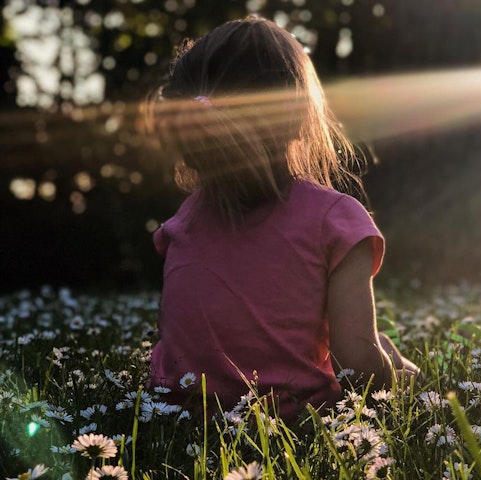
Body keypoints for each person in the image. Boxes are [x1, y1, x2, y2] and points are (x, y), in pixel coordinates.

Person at [146, 17, 419, 419]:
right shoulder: (335, 220)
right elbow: (358, 367)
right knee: (382, 351)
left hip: (180, 415)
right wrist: (400, 379)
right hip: (292, 421)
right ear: (296, 116)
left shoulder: (182, 222)